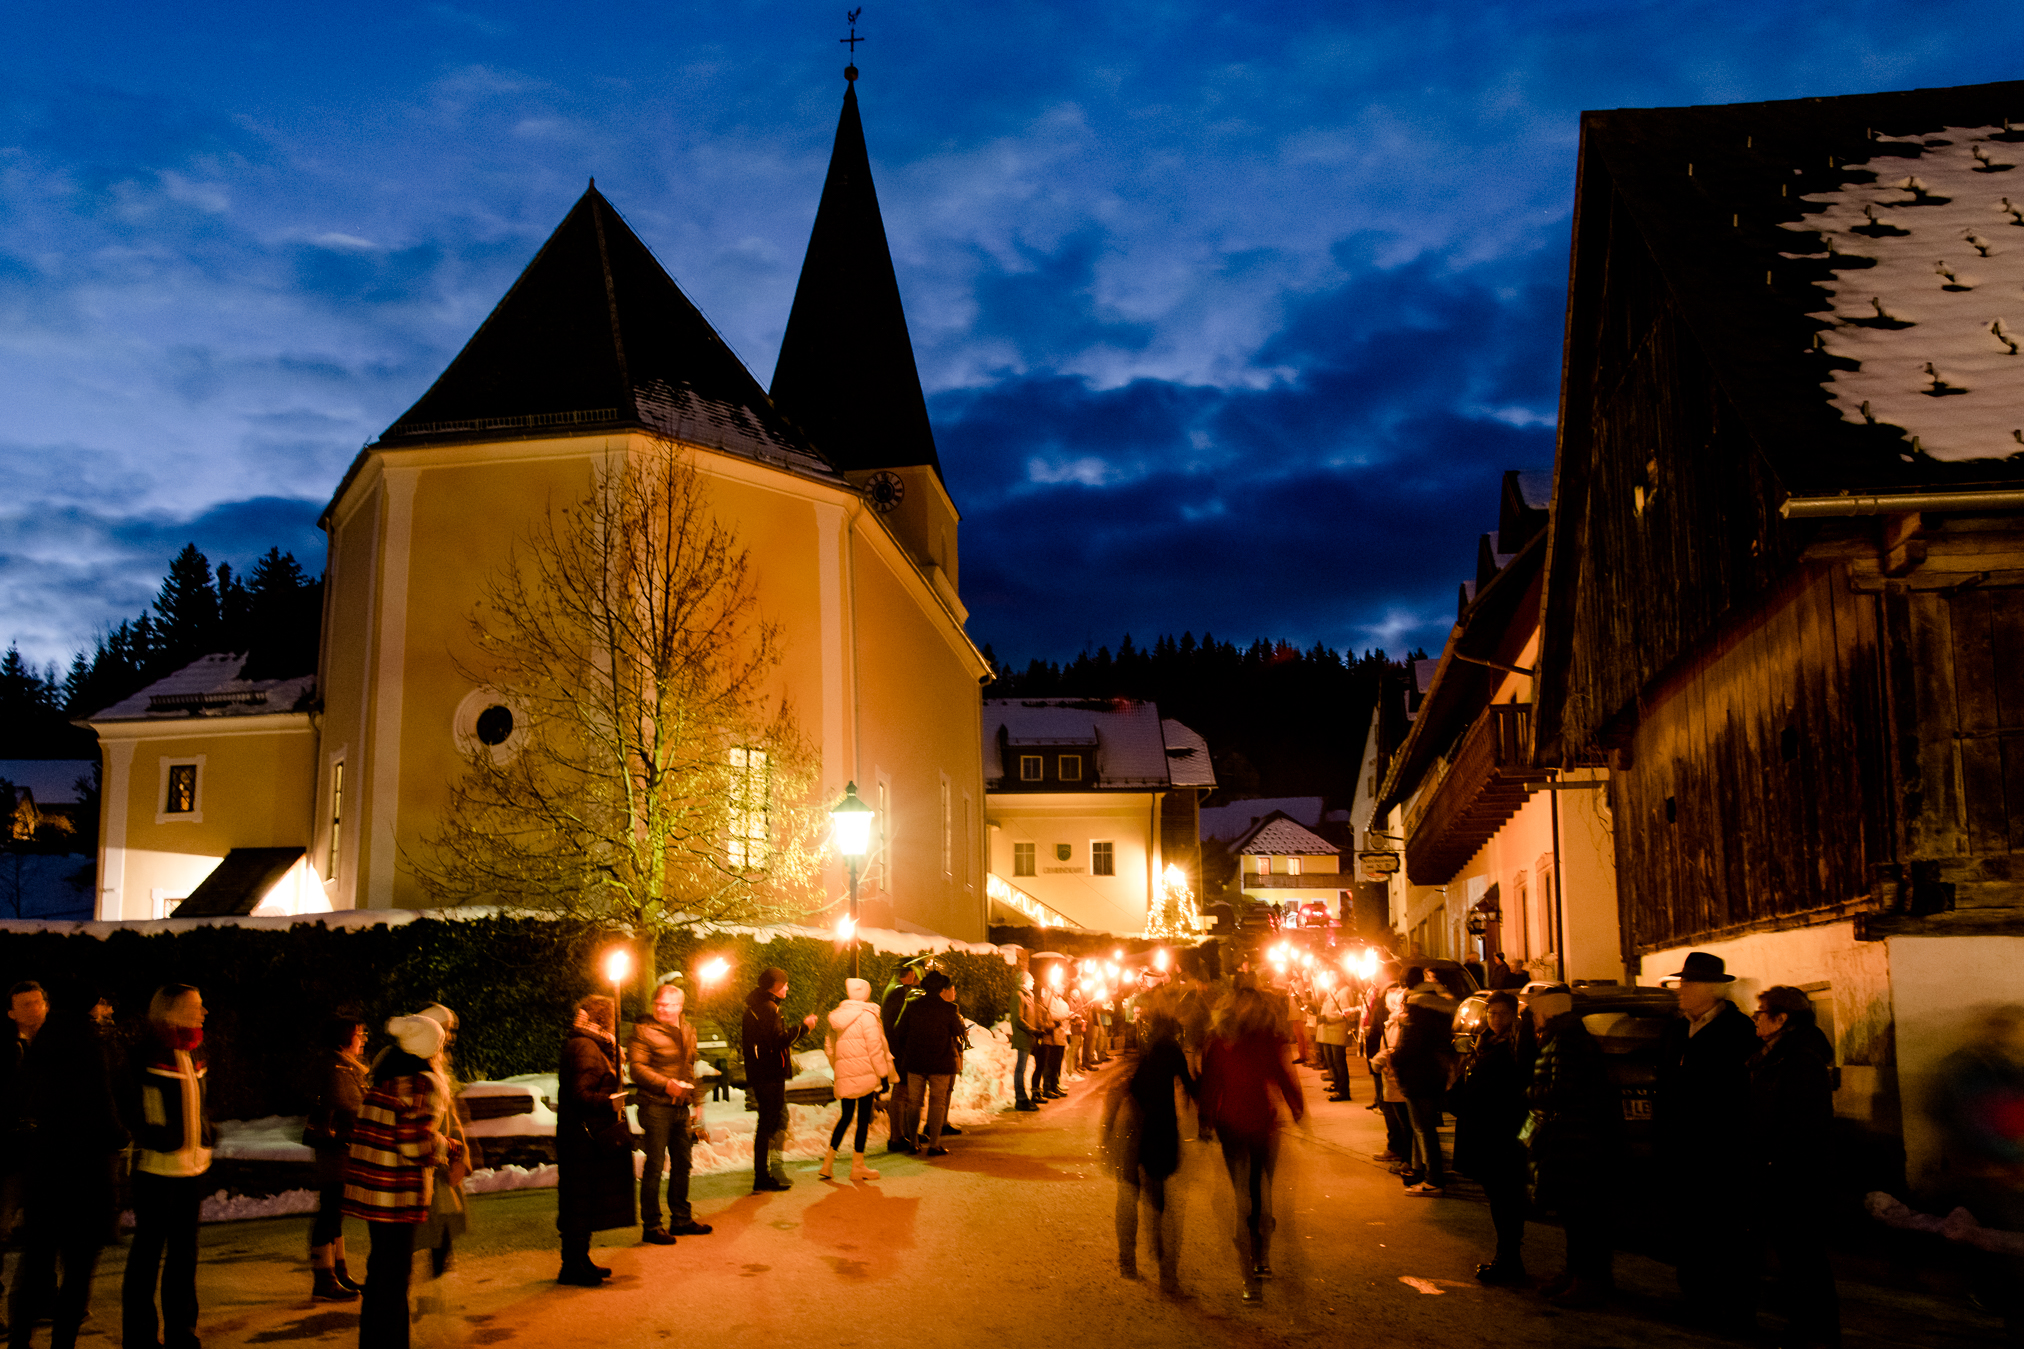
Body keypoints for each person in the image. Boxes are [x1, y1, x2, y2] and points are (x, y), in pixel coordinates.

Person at [6, 978, 125, 1349]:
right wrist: (119, 1137)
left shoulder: (46, 1044)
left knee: (38, 1261)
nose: (107, 1010)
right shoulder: (89, 1044)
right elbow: (104, 1107)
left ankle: (19, 1340)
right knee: (77, 1271)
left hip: (44, 1171)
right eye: (102, 1003)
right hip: (84, 1174)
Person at [1655, 951, 1759, 1330]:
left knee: (1726, 1235)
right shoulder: (1676, 1031)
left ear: (1710, 989)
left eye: (1688, 984)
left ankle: (1735, 1311)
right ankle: (1697, 1302)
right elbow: (1665, 1088)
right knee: (1688, 1233)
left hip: (1720, 1153)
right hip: (1681, 1152)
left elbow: (1740, 1096)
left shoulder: (1737, 1031)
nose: (1680, 991)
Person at [343, 1014, 459, 1345]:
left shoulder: (386, 1077)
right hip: (396, 1191)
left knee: (379, 1272)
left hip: (373, 1189)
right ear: (430, 1049)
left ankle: (374, 1339)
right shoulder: (422, 1082)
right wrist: (448, 1146)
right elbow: (414, 1142)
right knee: (394, 1277)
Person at [1199, 986, 1304, 1306]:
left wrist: (1296, 1105)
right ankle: (1253, 1264)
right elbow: (1211, 1083)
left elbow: (1280, 1075)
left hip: (1260, 1123)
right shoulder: (1220, 1042)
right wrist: (1205, 1119)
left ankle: (1260, 1256)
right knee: (1246, 1196)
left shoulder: (1260, 1040)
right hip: (1233, 1124)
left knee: (1258, 1195)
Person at [121, 983, 212, 1349]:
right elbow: (133, 1108)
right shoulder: (144, 1054)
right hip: (157, 1172)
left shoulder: (196, 1050)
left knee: (184, 1256)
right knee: (147, 1254)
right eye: (197, 1006)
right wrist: (151, 1137)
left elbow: (199, 1104)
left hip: (193, 1170)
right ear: (171, 1012)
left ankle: (182, 1332)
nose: (204, 1012)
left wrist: (207, 1133)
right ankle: (140, 1336)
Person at [1748, 986, 1840, 1349]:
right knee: (1795, 1258)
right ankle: (1805, 1327)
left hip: (1796, 1179)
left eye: (1761, 1011)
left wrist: (1775, 1163)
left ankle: (1816, 1333)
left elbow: (1803, 1124)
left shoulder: (1800, 1060)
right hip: (1781, 1173)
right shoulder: (1773, 1056)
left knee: (1804, 1259)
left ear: (1781, 1018)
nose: (1755, 1018)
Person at [1928, 1004, 2024, 1340]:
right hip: (1984, 1167)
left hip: (1998, 1166)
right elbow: (1969, 1122)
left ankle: (1992, 1293)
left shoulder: (2004, 1067)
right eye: (2005, 1028)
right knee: (1998, 1232)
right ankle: (1997, 1296)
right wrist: (2003, 1156)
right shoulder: (1968, 1069)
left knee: (1994, 1232)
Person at [1526, 984, 1619, 1308]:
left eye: (1536, 1012)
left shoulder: (1566, 1041)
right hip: (1572, 1136)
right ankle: (1576, 1272)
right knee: (1574, 1212)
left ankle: (1589, 1280)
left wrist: (1530, 1093)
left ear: (1548, 1012)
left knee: (1583, 1214)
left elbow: (1562, 1088)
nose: (1533, 1018)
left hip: (1577, 1139)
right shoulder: (1563, 1037)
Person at [1102, 1008, 1194, 1295]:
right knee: (1158, 1201)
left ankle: (1127, 1261)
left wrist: (1107, 1133)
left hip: (1132, 1126)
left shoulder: (1140, 1052)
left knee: (1128, 1194)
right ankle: (1166, 1271)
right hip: (1158, 1128)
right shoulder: (1171, 1049)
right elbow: (1191, 1087)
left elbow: (1118, 1090)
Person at [1452, 990, 1535, 1284]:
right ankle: (1506, 1258)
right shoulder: (1484, 1041)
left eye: (1501, 1014)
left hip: (1504, 1134)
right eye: (1491, 1013)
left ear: (1513, 1016)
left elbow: (1516, 1088)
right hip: (1483, 1133)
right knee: (1496, 1197)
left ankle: (1509, 1260)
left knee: (1507, 1199)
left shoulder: (1518, 1045)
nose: (1495, 1019)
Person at [555, 995, 634, 1284]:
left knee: (583, 1200)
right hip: (581, 1137)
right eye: (612, 1017)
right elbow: (579, 1095)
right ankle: (571, 1266)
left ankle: (580, 1259)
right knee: (578, 1201)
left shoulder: (592, 1044)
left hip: (583, 1136)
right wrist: (609, 1102)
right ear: (603, 1019)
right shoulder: (586, 1047)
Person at [629, 982, 711, 1243]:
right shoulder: (643, 1030)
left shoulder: (686, 1029)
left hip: (680, 1108)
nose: (661, 1009)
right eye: (658, 1004)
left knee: (682, 1164)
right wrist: (667, 1085)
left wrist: (696, 1100)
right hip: (655, 1106)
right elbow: (637, 1069)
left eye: (667, 1005)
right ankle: (652, 1226)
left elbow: (690, 1065)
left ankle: (681, 1219)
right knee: (654, 1166)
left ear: (680, 1006)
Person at [304, 1013, 369, 1302]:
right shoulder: (335, 1068)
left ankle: (338, 1271)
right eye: (359, 1034)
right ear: (345, 1037)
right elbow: (343, 1107)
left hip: (343, 1147)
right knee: (331, 1211)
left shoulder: (348, 1067)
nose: (363, 1039)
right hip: (335, 1149)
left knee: (336, 1212)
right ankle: (324, 1277)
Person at [410, 1003, 475, 1279]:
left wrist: (461, 1155)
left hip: (443, 1156)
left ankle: (440, 1266)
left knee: (442, 1218)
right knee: (429, 1220)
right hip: (429, 1158)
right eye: (448, 1030)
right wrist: (451, 1150)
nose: (451, 1037)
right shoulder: (419, 1069)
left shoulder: (437, 1065)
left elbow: (452, 1116)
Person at [742, 968, 817, 1191]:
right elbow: (778, 1041)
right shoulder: (768, 1009)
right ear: (773, 986)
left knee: (769, 1122)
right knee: (768, 1124)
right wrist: (805, 1028)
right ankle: (763, 1175)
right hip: (769, 1075)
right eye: (784, 983)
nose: (787, 987)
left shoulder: (759, 1006)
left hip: (762, 1073)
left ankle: (765, 1172)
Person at [1, 981, 48, 1303]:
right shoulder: (8, 1051)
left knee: (45, 1228)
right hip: (10, 1154)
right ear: (11, 1013)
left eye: (38, 1002)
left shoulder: (57, 1049)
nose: (35, 1009)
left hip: (45, 1152)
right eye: (26, 1004)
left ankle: (41, 1295)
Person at [819, 978, 892, 1181]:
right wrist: (883, 1075)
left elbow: (829, 1048)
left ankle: (827, 1164)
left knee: (845, 1117)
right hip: (866, 1074)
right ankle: (857, 1166)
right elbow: (874, 1048)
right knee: (862, 1121)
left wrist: (840, 1068)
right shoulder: (867, 1016)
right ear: (866, 993)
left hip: (845, 1074)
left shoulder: (836, 1017)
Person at [1391, 976, 1457, 1195]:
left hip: (1417, 1081)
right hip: (1430, 1079)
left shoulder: (1418, 1024)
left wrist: (1392, 1057)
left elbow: (1408, 1050)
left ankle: (1433, 1179)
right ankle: (1431, 1174)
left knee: (1424, 1130)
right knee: (1427, 1130)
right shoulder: (1439, 1022)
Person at [901, 971, 966, 1156]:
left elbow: (900, 1030)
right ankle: (935, 1144)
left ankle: (913, 1142)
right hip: (941, 1062)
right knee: (938, 1102)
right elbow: (958, 1032)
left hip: (915, 1062)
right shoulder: (949, 1009)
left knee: (914, 1102)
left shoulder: (912, 1006)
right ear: (941, 989)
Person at [880, 963, 923, 1151]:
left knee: (904, 1091)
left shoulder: (895, 990)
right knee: (901, 1091)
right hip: (900, 1049)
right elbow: (899, 1023)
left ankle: (905, 1132)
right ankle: (897, 1136)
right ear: (910, 973)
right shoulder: (898, 992)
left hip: (898, 1048)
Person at [1314, 977, 1354, 1102]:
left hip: (1337, 1030)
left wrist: (1327, 1017)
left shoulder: (1346, 991)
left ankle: (1343, 1091)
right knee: (1330, 1060)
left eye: (1332, 975)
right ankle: (1336, 1084)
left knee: (1339, 1062)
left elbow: (1345, 1011)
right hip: (1327, 1032)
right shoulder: (1332, 990)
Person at [1011, 973, 1042, 1112]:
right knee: (1020, 1069)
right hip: (1023, 1037)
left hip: (1029, 1038)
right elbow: (1018, 1019)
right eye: (1031, 979)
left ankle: (1023, 1098)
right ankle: (1021, 1099)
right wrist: (1033, 1031)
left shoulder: (1028, 996)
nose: (1033, 982)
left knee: (1023, 1069)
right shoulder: (1018, 996)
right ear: (1024, 981)